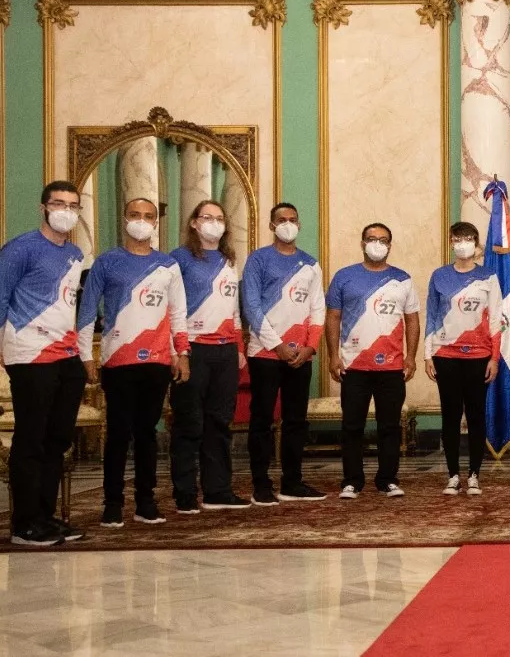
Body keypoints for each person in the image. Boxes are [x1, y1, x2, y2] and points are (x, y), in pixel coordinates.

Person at [0, 181, 87, 546]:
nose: (66, 211)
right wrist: (7, 348)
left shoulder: (75, 254)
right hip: (30, 355)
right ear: (43, 207)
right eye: (59, 203)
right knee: (32, 437)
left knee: (57, 439)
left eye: (73, 205)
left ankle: (46, 515)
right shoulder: (21, 248)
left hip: (66, 356)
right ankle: (24, 523)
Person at [78, 198, 190, 528]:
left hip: (156, 361)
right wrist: (86, 354)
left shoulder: (168, 265)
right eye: (135, 215)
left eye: (148, 216)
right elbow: (87, 310)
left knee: (147, 433)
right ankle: (112, 503)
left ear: (156, 223)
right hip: (117, 359)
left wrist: (181, 353)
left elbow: (178, 314)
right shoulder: (106, 262)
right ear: (124, 218)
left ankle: (146, 501)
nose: (141, 221)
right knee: (118, 433)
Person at [326, 223, 420, 500]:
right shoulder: (344, 277)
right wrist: (333, 356)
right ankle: (352, 481)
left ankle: (387, 479)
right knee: (352, 426)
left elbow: (412, 319)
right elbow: (333, 317)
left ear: (390, 245)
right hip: (353, 366)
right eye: (371, 239)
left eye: (383, 240)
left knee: (389, 426)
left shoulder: (402, 279)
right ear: (362, 242)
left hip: (391, 367)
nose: (377, 244)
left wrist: (411, 357)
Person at [242, 203, 327, 505]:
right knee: (262, 419)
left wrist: (311, 346)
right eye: (281, 220)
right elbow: (251, 306)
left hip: (301, 356)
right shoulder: (258, 260)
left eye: (292, 219)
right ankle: (261, 484)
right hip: (265, 353)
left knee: (296, 421)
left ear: (299, 225)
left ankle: (292, 483)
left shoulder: (311, 265)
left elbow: (318, 309)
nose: (287, 224)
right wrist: (276, 345)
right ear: (271, 225)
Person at [168, 200, 250, 514]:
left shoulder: (230, 260)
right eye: (206, 217)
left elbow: (234, 310)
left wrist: (240, 347)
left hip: (226, 351)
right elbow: (171, 308)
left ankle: (218, 490)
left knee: (219, 422)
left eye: (219, 218)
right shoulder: (179, 258)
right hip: (193, 348)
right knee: (190, 423)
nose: (213, 223)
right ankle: (185, 493)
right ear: (193, 223)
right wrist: (178, 351)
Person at [425, 221, 501, 496]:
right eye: (458, 238)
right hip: (445, 354)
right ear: (450, 241)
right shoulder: (439, 276)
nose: (463, 243)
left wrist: (494, 357)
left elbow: (496, 320)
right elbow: (431, 316)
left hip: (479, 355)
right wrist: (427, 354)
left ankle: (474, 475)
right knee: (451, 415)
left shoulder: (489, 276)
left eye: (468, 238)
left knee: (477, 414)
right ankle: (453, 475)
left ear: (476, 243)